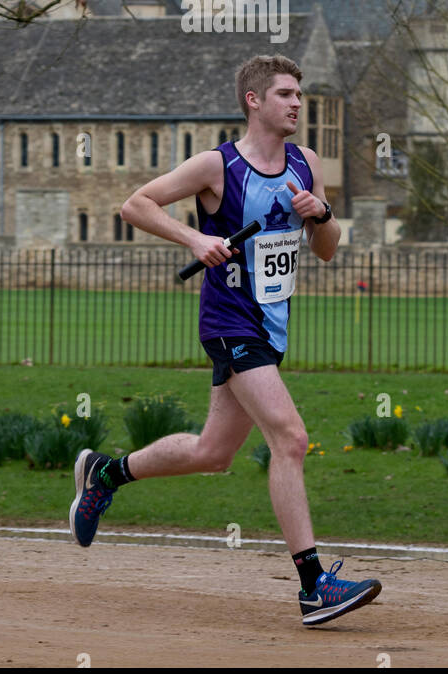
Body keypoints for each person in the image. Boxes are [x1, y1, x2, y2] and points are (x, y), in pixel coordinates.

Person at [69, 53, 382, 626]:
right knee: (290, 439)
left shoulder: (305, 162)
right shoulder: (217, 166)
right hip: (230, 324)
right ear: (254, 101)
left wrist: (322, 213)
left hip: (272, 327)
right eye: (285, 93)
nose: (297, 103)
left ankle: (106, 473)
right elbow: (134, 205)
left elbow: (327, 249)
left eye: (299, 94)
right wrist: (193, 238)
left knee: (213, 453)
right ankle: (314, 587)